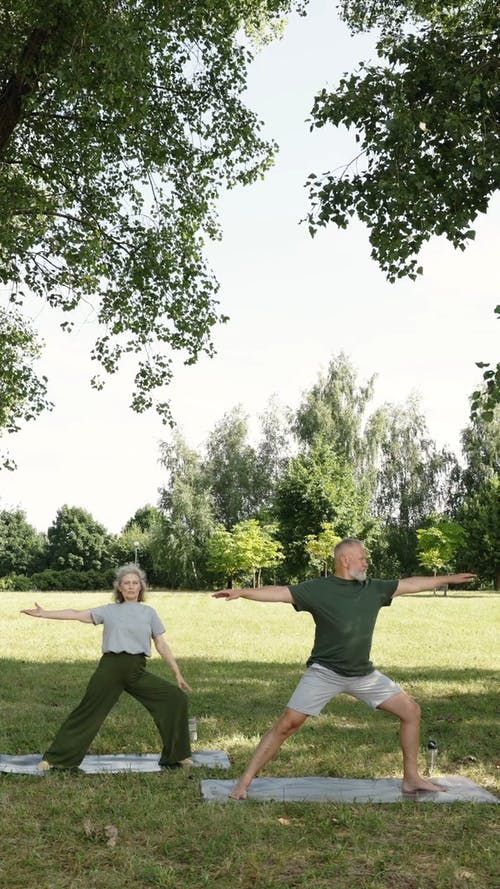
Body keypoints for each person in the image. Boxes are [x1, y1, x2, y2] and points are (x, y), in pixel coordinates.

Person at [213, 537, 475, 799]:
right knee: (286, 726)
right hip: (325, 673)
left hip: (363, 674)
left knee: (411, 712)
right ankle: (244, 782)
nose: (366, 562)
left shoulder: (374, 588)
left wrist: (447, 579)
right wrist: (243, 592)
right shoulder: (318, 589)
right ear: (345, 560)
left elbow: (411, 584)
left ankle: (411, 779)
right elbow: (281, 592)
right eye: (362, 557)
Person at [21, 564, 193, 770]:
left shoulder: (149, 613)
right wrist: (44, 613)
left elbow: (161, 643)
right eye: (126, 583)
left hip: (136, 670)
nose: (131, 587)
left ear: (141, 587)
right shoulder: (109, 611)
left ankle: (177, 755)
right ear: (119, 588)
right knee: (88, 713)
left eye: (135, 583)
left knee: (176, 698)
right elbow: (76, 614)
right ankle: (54, 758)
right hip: (110, 669)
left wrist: (177, 672)